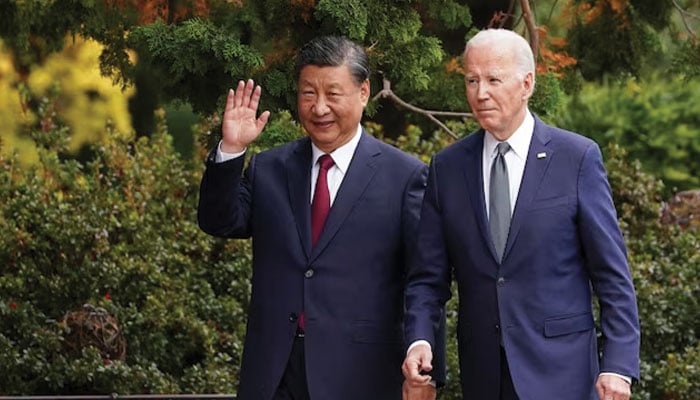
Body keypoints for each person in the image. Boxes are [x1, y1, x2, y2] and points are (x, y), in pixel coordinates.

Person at [198, 36, 444, 400]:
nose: (319, 107)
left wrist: (424, 360)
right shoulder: (270, 168)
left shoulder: (405, 177)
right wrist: (233, 149)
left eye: (333, 94)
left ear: (363, 92)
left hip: (361, 374)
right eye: (308, 93)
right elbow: (219, 221)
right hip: (275, 372)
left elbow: (424, 278)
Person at [402, 28, 640, 400]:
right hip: (484, 376)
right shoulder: (447, 168)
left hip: (563, 375)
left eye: (493, 80)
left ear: (527, 83)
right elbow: (426, 280)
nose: (480, 93)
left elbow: (612, 275)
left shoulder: (576, 158)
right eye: (471, 80)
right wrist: (419, 340)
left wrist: (619, 365)